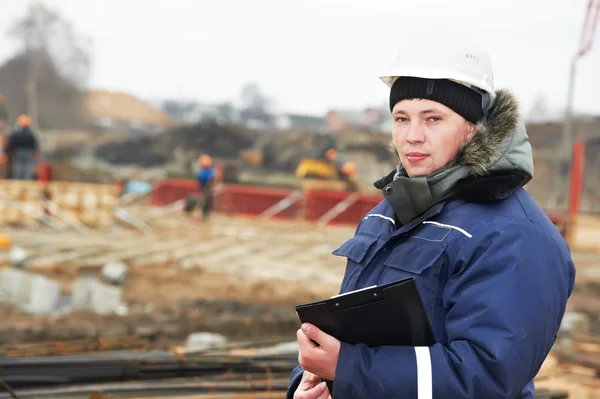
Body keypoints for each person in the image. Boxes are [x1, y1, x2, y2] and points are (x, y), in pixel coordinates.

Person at [287, 32, 575, 399]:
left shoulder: (517, 236)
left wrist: (347, 370)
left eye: (433, 118)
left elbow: (485, 380)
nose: (413, 136)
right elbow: (355, 330)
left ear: (474, 128)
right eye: (402, 118)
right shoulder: (386, 213)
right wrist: (313, 379)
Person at [6, 114, 39, 180]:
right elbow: (34, 144)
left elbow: (11, 143)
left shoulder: (16, 133)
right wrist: (35, 152)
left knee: (18, 168)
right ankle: (27, 180)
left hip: (18, 152)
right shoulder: (30, 133)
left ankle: (18, 180)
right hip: (27, 152)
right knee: (27, 168)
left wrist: (8, 152)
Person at [195, 154, 216, 221]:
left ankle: (205, 217)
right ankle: (204, 217)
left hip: (206, 190)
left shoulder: (206, 172)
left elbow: (209, 181)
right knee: (205, 204)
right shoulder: (207, 172)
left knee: (206, 204)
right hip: (205, 190)